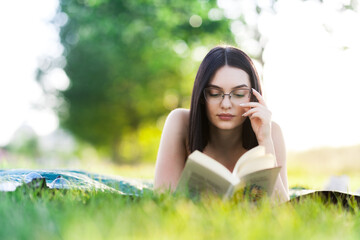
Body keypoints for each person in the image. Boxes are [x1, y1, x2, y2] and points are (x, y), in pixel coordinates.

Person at [154, 45, 289, 202]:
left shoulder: (271, 132)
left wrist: (265, 141)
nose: (226, 104)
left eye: (238, 94)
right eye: (214, 93)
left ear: (252, 97)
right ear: (202, 96)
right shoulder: (180, 121)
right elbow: (162, 198)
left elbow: (284, 209)